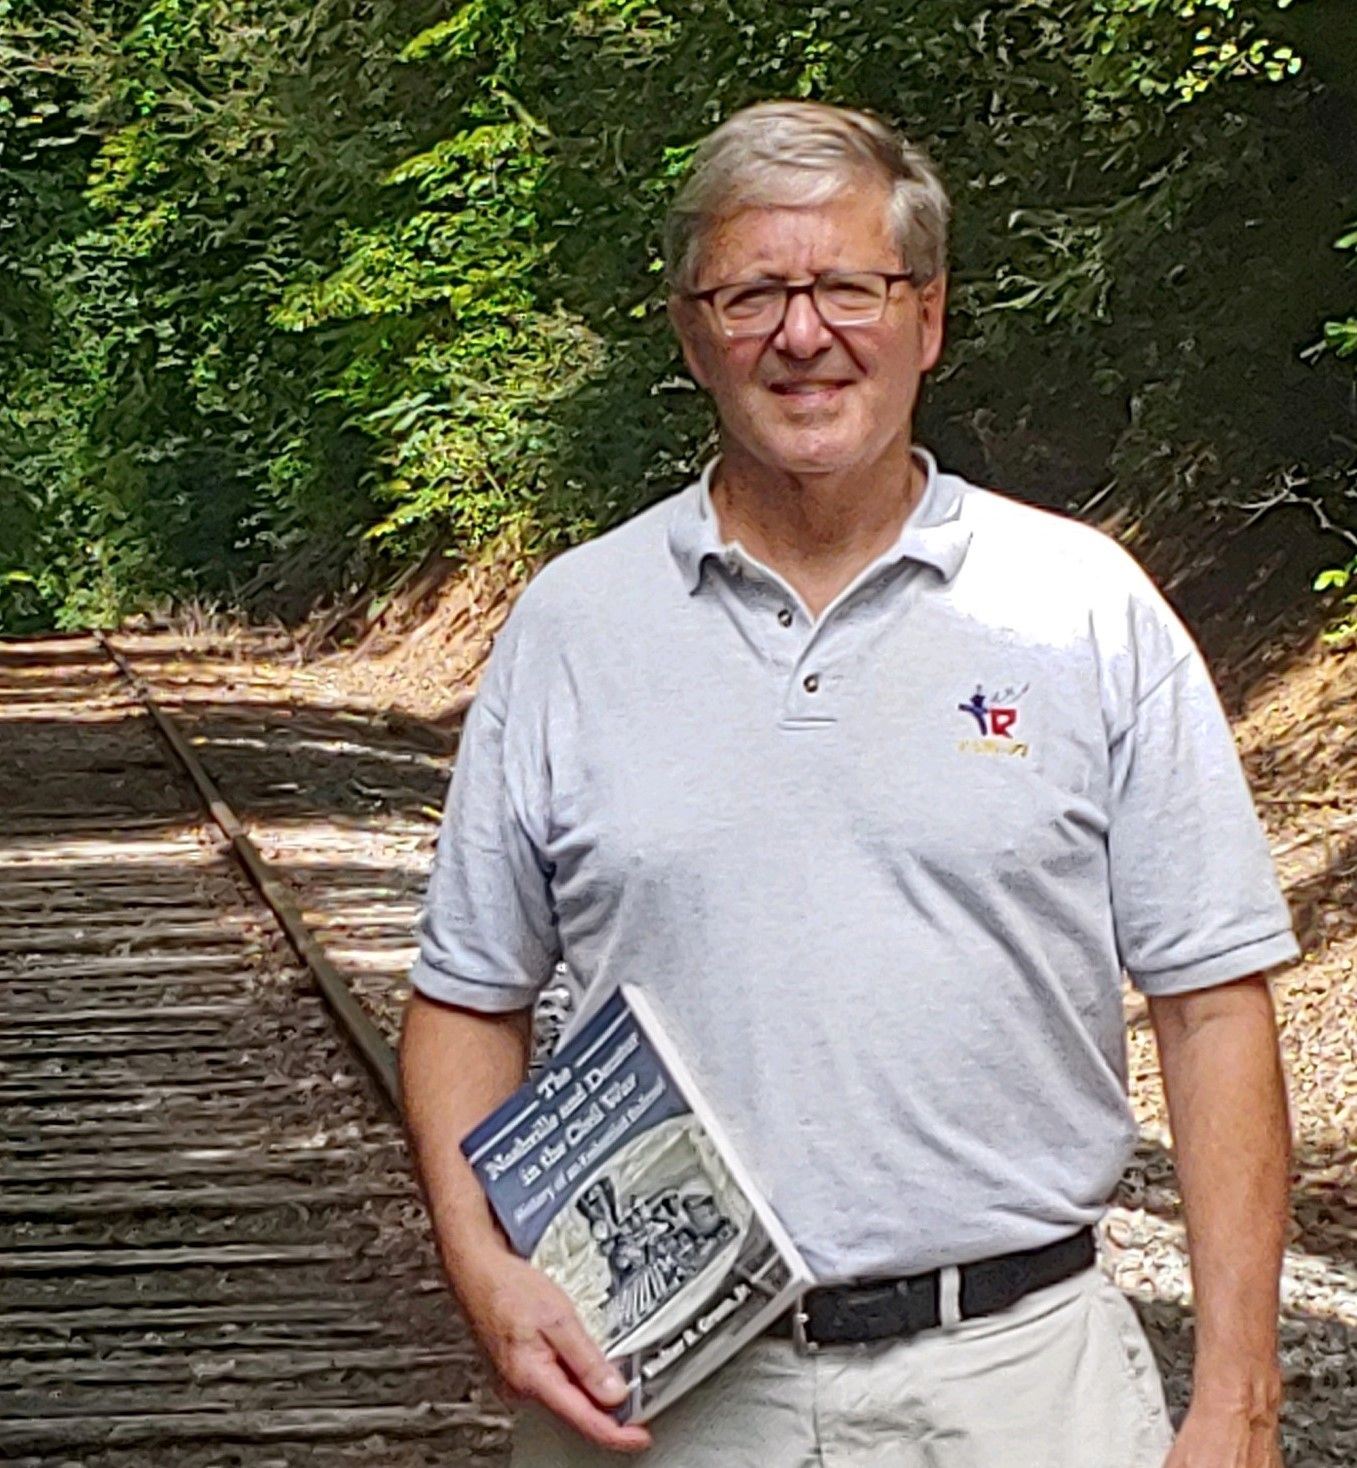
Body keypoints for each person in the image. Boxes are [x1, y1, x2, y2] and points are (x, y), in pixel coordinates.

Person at [399, 100, 1298, 1468]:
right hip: (660, 1393)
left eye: (845, 287)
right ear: (690, 332)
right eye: (752, 292)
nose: (801, 333)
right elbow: (468, 997)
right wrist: (481, 1264)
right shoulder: (573, 625)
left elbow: (1210, 1007)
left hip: (1021, 1389)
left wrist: (1233, 1396)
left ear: (926, 318)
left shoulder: (1079, 607)